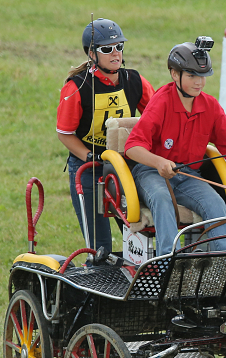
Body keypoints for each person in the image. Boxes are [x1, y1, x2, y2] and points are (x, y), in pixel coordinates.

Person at [125, 37, 226, 255]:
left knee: (216, 204)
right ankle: (169, 263)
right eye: (191, 75)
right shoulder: (161, 102)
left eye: (202, 76)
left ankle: (224, 264)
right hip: (151, 172)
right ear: (174, 74)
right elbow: (133, 147)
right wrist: (159, 162)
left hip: (188, 175)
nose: (198, 82)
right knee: (162, 198)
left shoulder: (210, 106)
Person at [56, 18, 155, 256]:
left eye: (119, 47)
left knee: (140, 232)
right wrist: (91, 156)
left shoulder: (134, 81)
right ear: (92, 53)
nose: (116, 53)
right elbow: (65, 134)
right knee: (99, 246)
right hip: (88, 168)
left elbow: (155, 117)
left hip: (124, 166)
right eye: (107, 49)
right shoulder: (77, 87)